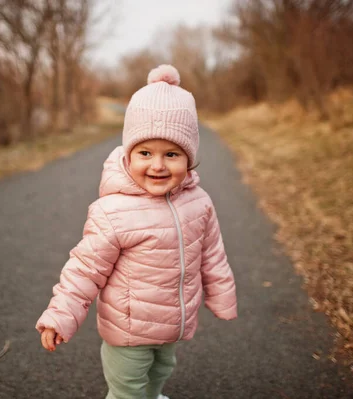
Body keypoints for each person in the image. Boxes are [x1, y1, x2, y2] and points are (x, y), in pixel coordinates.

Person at [36, 64, 237, 399]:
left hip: (173, 322)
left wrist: (222, 296)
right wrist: (60, 314)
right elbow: (85, 269)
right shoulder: (113, 211)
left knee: (161, 371)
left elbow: (212, 254)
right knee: (127, 386)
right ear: (128, 157)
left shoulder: (199, 202)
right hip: (127, 329)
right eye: (145, 153)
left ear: (189, 160)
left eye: (171, 154)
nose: (157, 165)